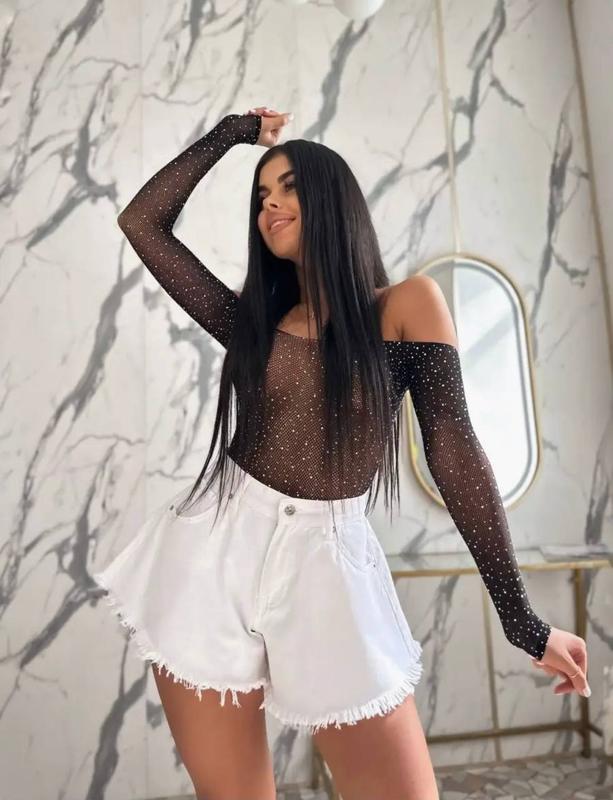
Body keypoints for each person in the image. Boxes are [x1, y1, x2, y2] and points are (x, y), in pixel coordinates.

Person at [93, 106, 589, 800]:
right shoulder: (254, 323)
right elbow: (143, 223)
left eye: (288, 187)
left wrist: (521, 620)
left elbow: (452, 448)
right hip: (211, 553)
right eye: (261, 196)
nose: (269, 205)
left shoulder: (406, 305)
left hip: (329, 563)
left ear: (332, 198)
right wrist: (231, 135)